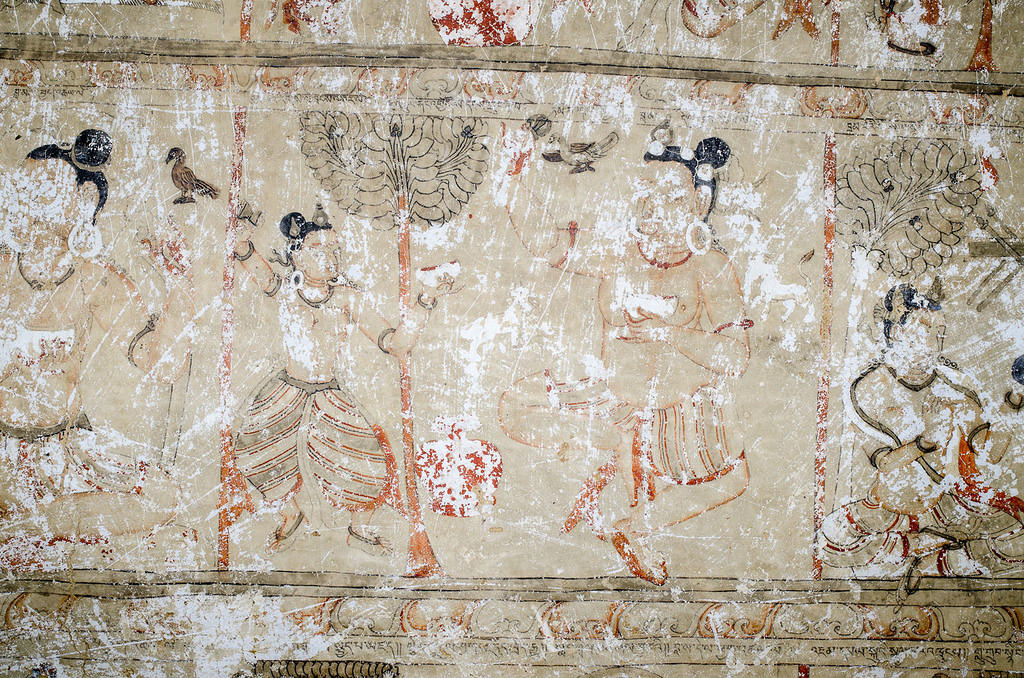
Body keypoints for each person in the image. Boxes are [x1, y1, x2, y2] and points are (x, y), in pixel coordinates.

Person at [497, 121, 753, 584]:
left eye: (672, 196)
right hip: (614, 400)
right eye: (647, 193)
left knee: (735, 478)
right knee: (515, 406)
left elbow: (736, 358)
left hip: (680, 412)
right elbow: (549, 244)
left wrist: (669, 333)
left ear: (699, 202)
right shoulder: (618, 251)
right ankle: (606, 451)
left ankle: (635, 525)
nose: (655, 207)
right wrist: (513, 176)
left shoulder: (710, 267)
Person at [0, 129, 195, 567]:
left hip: (66, 449)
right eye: (21, 186)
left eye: (41, 188)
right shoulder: (2, 271)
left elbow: (160, 365)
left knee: (163, 494)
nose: (23, 199)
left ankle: (26, 529)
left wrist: (179, 285)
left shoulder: (96, 279)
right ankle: (36, 525)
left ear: (84, 200)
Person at [231, 209, 455, 554]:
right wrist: (241, 239)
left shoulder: (347, 298)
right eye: (319, 250)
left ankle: (359, 527)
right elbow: (249, 259)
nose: (331, 257)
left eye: (335, 249)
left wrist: (425, 301)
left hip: (327, 393)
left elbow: (396, 344)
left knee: (366, 458)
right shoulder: (285, 290)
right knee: (253, 451)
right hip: (285, 389)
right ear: (297, 256)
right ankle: (290, 515)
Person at [821, 283, 1024, 590]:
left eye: (940, 331)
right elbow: (884, 463)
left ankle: (934, 560)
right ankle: (923, 545)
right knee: (829, 541)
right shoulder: (868, 388)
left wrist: (1014, 400)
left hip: (946, 508)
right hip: (888, 509)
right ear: (897, 332)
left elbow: (990, 453)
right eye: (925, 328)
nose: (935, 340)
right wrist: (925, 441)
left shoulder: (955, 384)